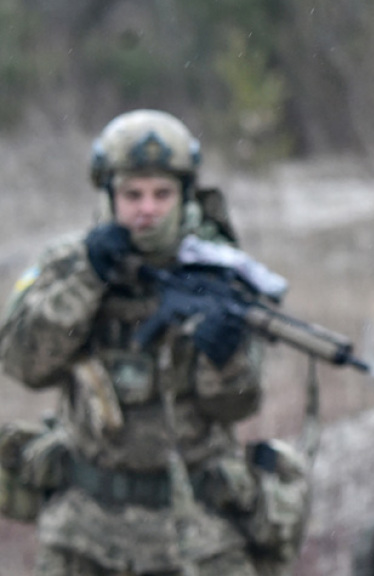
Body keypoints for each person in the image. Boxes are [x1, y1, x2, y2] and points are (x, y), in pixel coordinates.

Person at [0, 110, 276, 575]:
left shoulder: (219, 273)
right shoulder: (67, 264)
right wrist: (88, 276)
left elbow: (238, 406)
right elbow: (24, 363)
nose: (147, 209)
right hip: (82, 534)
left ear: (185, 197)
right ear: (109, 195)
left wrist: (223, 357)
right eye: (133, 194)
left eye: (161, 194)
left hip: (196, 533)